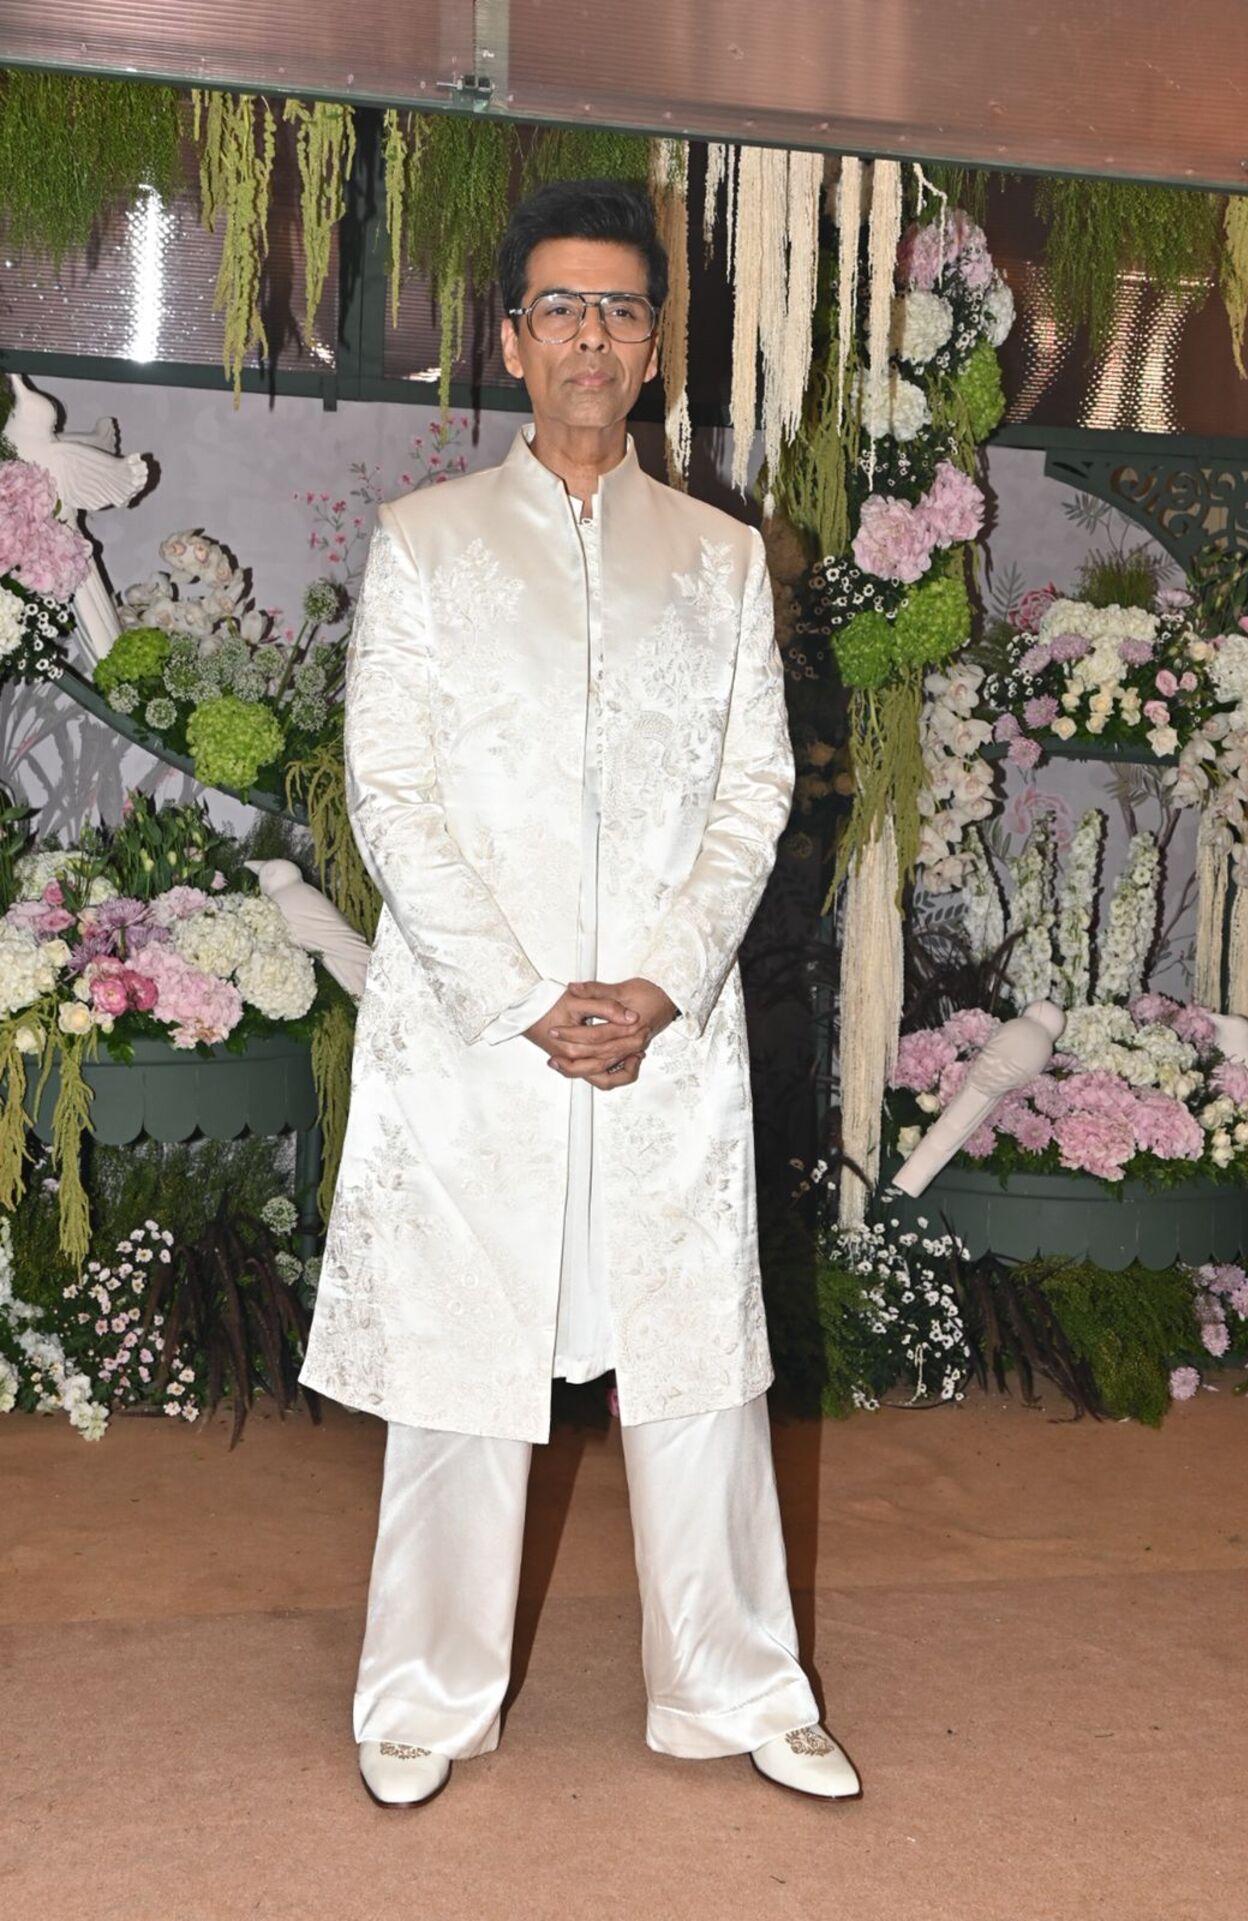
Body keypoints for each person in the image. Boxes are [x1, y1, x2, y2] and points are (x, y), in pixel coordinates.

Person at [298, 177, 862, 1810]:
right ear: (511, 338)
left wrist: (664, 984)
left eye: (621, 307)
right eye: (562, 307)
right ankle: (421, 1695)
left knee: (698, 1367)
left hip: (663, 1036)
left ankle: (739, 1686)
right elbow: (387, 789)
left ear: (655, 343)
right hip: (485, 1031)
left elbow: (758, 789)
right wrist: (525, 993)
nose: (592, 336)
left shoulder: (723, 558)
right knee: (464, 1375)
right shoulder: (426, 544)